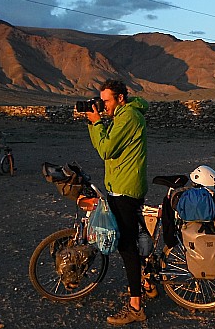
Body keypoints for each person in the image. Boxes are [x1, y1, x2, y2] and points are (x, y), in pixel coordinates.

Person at [85, 79, 151, 326]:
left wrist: (96, 124)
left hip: (125, 189)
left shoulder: (128, 117)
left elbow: (105, 149)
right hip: (122, 186)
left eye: (106, 101)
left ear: (120, 98)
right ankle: (148, 281)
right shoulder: (125, 114)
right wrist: (99, 122)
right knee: (134, 239)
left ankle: (136, 306)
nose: (103, 105)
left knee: (127, 247)